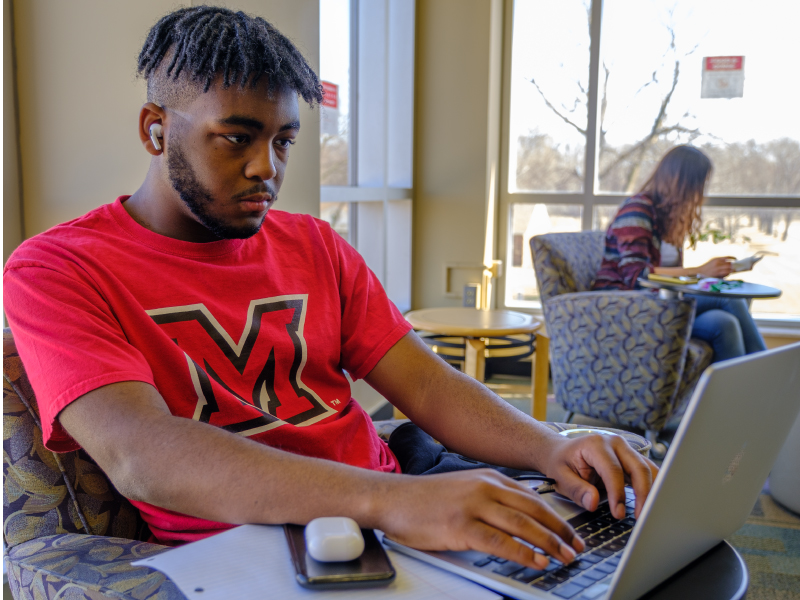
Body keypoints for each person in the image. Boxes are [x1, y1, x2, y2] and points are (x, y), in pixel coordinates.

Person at [3, 6, 657, 571]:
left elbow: (426, 385)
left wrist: (552, 445)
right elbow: (142, 454)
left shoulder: (313, 244)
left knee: (618, 545)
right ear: (155, 129)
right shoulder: (57, 269)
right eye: (236, 138)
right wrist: (394, 504)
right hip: (258, 547)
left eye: (283, 140)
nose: (268, 168)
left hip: (397, 498)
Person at [592, 145, 766, 362]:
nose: (700, 193)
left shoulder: (669, 217)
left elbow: (672, 279)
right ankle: (776, 385)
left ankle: (740, 395)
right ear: (681, 182)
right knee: (730, 301)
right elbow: (636, 277)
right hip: (629, 305)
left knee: (725, 323)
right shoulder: (636, 210)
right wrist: (701, 271)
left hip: (664, 301)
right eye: (698, 184)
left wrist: (705, 276)